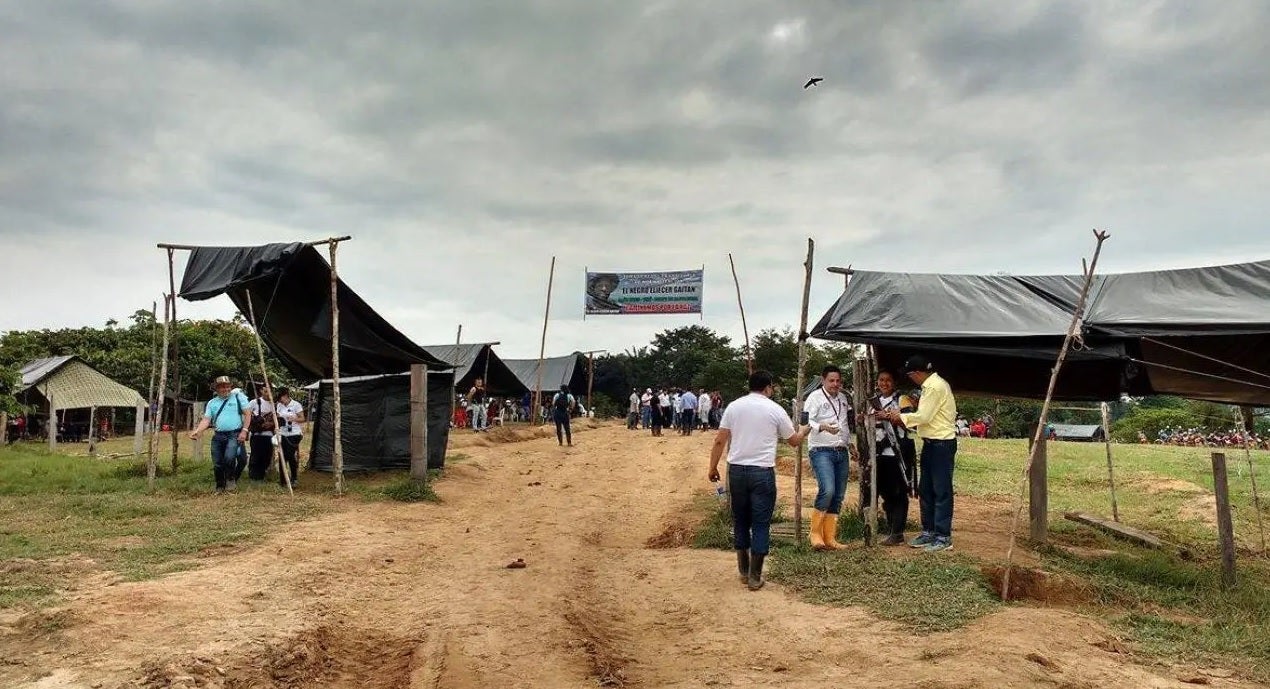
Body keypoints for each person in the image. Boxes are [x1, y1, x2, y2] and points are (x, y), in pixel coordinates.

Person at [708, 370, 812, 591]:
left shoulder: (734, 407)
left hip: (736, 471)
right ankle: (756, 576)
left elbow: (719, 440)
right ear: (768, 387)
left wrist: (712, 467)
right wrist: (803, 431)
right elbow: (793, 441)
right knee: (761, 523)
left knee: (740, 520)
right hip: (762, 472)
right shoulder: (775, 409)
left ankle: (743, 571)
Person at [882, 355, 957, 552]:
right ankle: (928, 531)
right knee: (926, 489)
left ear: (916, 373)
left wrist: (901, 416)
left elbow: (924, 416)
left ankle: (942, 536)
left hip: (942, 443)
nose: (911, 379)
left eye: (910, 375)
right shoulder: (930, 386)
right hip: (930, 443)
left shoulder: (934, 387)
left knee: (941, 490)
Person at [804, 364, 853, 550]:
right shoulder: (814, 398)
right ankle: (815, 533)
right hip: (821, 449)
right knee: (828, 489)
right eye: (831, 380)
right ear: (823, 380)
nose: (835, 384)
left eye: (838, 381)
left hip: (841, 450)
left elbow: (844, 424)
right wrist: (822, 426)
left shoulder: (843, 398)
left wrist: (849, 444)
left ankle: (830, 537)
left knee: (838, 494)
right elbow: (805, 419)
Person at [870, 371, 917, 545]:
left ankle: (897, 532)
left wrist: (888, 416)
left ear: (894, 382)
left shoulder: (902, 400)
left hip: (896, 454)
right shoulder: (872, 401)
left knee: (898, 492)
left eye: (888, 380)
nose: (884, 383)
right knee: (885, 492)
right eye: (881, 380)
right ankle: (891, 529)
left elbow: (910, 422)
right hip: (878, 454)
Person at [189, 376, 251, 493]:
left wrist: (244, 431)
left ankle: (231, 479)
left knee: (229, 457)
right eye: (222, 387)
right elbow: (206, 420)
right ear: (216, 389)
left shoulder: (238, 397)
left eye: (228, 386)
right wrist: (198, 431)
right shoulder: (212, 403)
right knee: (217, 462)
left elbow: (248, 414)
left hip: (234, 434)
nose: (226, 389)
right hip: (218, 435)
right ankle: (219, 486)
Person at [275, 387, 304, 488]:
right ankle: (283, 480)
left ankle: (294, 478)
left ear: (286, 396)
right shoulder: (279, 405)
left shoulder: (296, 405)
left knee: (290, 455)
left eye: (281, 398)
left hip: (294, 433)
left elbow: (302, 418)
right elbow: (277, 417)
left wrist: (294, 418)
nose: (280, 400)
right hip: (282, 433)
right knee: (281, 456)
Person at [246, 386, 277, 481]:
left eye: (270, 391)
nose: (268, 393)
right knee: (255, 456)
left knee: (267, 456)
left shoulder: (274, 404)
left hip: (269, 435)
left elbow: (278, 419)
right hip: (256, 435)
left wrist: (271, 424)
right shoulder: (254, 402)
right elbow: (246, 416)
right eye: (266, 391)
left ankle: (262, 475)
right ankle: (253, 477)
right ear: (261, 391)